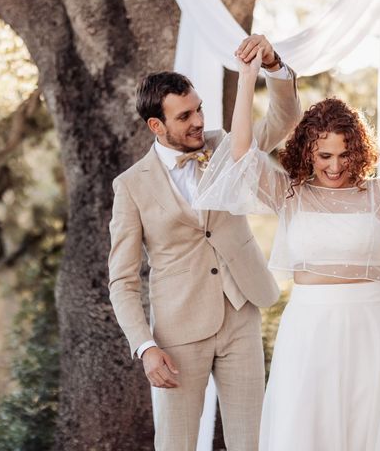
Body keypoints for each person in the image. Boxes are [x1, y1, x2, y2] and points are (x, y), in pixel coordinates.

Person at [193, 49, 380, 450]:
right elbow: (240, 153)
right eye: (324, 156)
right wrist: (248, 76)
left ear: (358, 151)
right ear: (307, 151)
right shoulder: (290, 194)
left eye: (344, 155)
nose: (335, 167)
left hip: (373, 330)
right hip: (309, 331)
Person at [107, 34, 301, 450]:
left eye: (198, 109)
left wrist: (273, 65)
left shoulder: (229, 146)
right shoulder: (130, 187)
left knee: (250, 442)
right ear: (156, 126)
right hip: (177, 335)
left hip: (241, 312)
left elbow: (284, 120)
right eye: (184, 116)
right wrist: (145, 347)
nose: (197, 121)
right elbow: (122, 281)